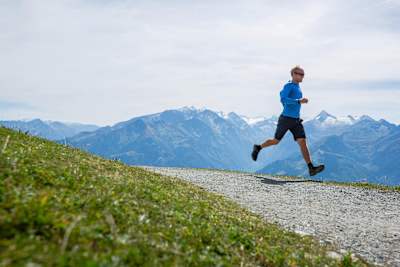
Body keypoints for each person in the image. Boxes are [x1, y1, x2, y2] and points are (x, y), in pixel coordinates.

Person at [251, 65, 325, 176]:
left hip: (296, 121)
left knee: (303, 142)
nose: (302, 77)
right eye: (300, 74)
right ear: (293, 74)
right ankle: (258, 147)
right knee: (276, 141)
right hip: (285, 119)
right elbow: (283, 99)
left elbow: (287, 101)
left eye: (303, 74)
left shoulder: (298, 87)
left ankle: (311, 168)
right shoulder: (289, 86)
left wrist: (296, 106)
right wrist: (298, 101)